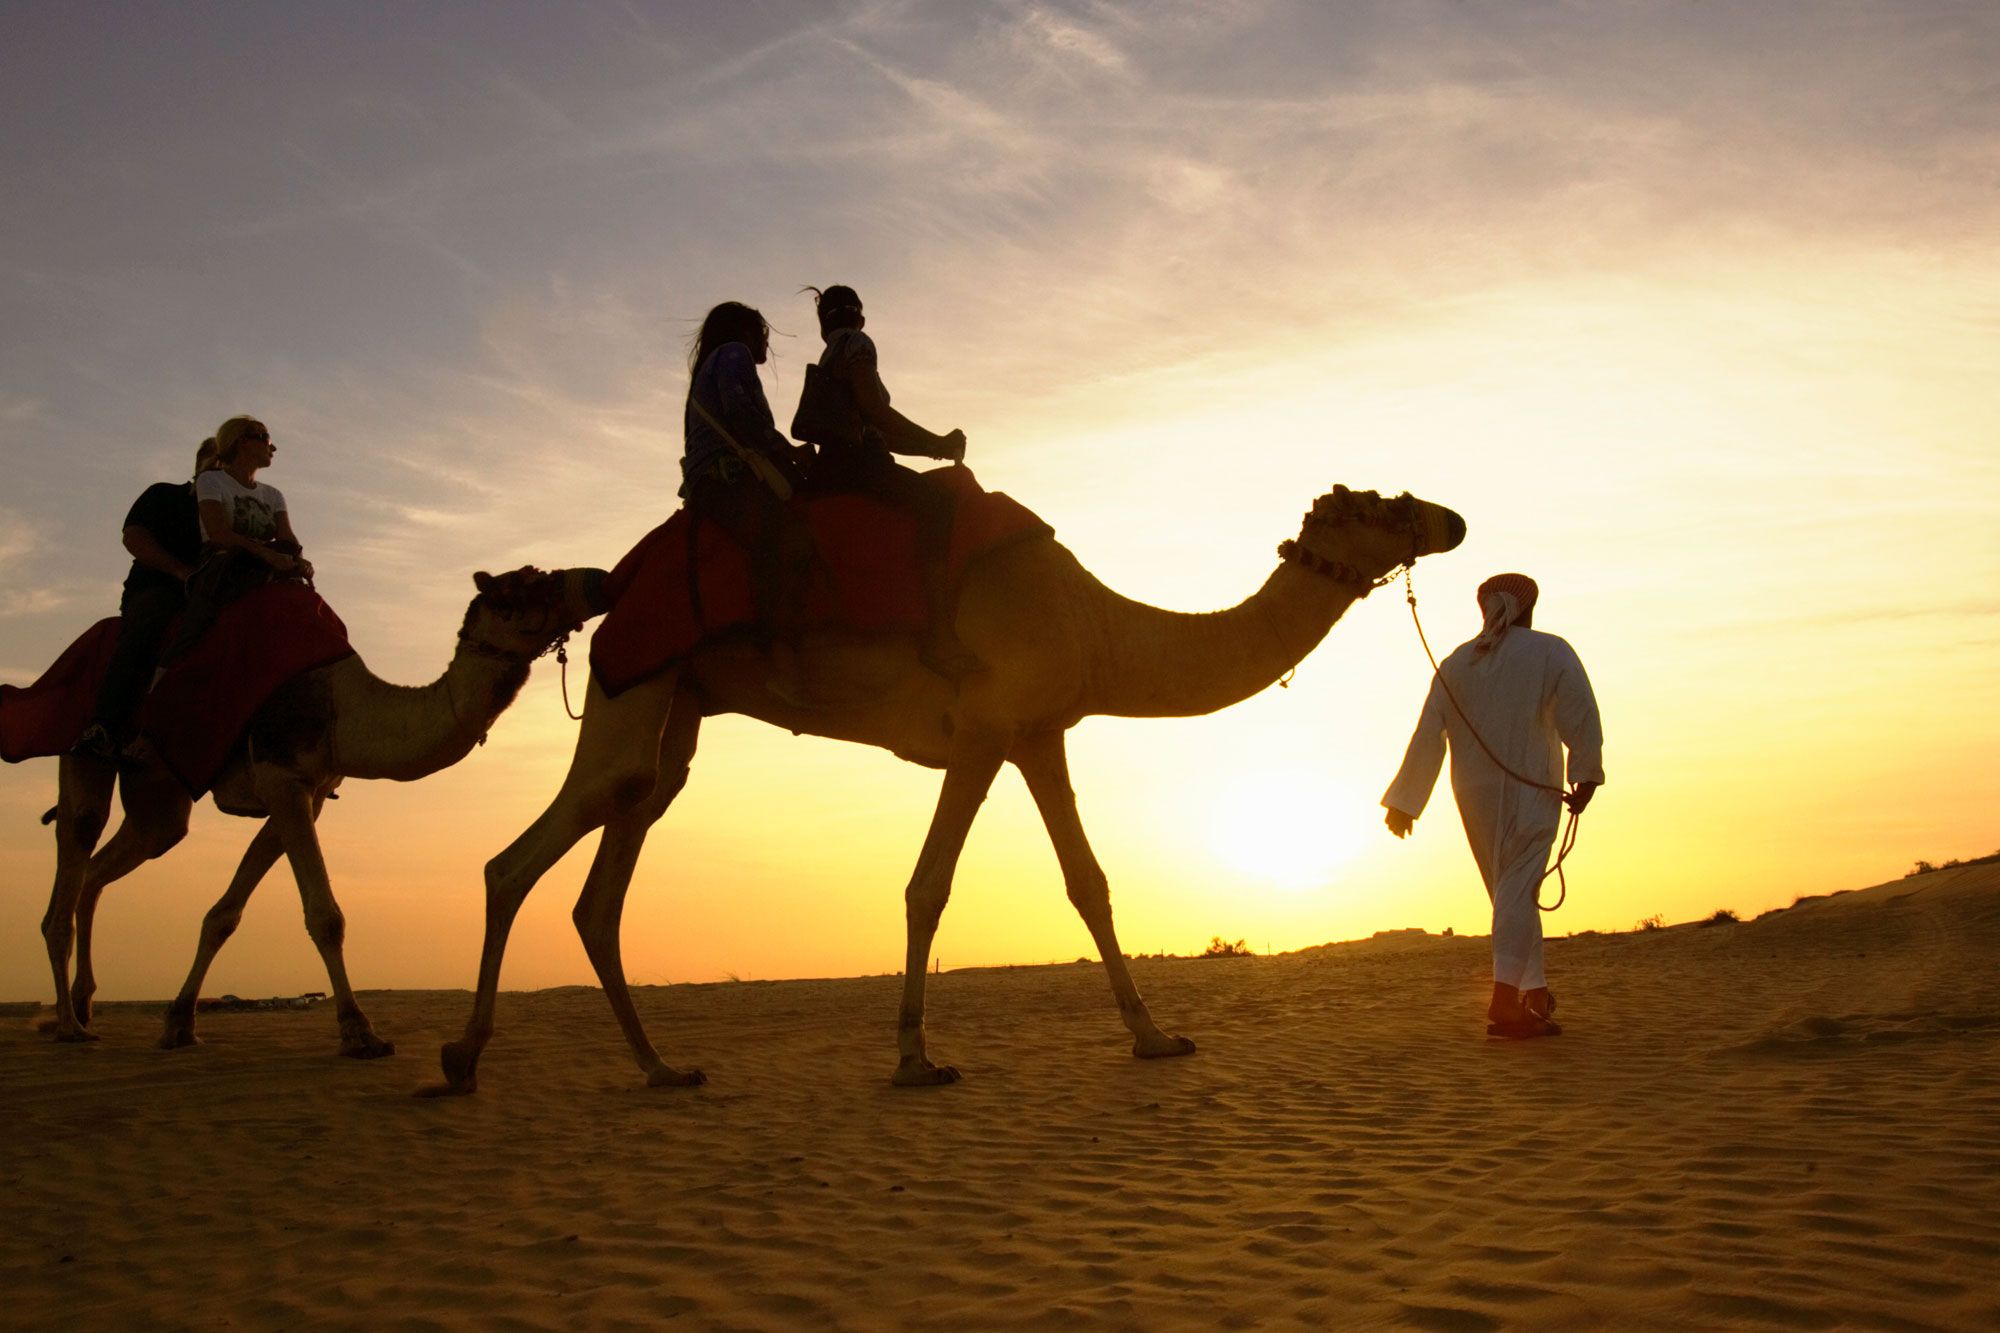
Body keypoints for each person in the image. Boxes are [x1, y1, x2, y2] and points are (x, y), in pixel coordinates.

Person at [1381, 573, 1604, 1039]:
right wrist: (1583, 772)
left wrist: (1406, 803)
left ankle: (1535, 995)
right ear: (1527, 607)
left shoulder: (1456, 663)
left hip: (1473, 794)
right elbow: (1579, 711)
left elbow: (1428, 732)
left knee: (1512, 893)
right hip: (1531, 786)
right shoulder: (1549, 650)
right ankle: (1505, 1002)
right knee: (1518, 890)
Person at [792, 285, 977, 677]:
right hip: (859, 467)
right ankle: (939, 634)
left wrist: (933, 448)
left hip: (833, 468)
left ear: (823, 325)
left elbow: (880, 429)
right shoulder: (858, 344)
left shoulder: (828, 357)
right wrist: (937, 441)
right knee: (940, 506)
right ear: (860, 317)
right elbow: (874, 412)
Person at [681, 301, 815, 705]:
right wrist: (787, 452)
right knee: (788, 544)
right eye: (763, 332)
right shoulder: (734, 354)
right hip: (729, 480)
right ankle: (781, 658)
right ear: (744, 330)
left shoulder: (708, 366)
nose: (766, 342)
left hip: (709, 480)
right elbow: (741, 411)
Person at [69, 438, 220, 761]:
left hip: (215, 596)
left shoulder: (235, 509)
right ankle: (105, 727)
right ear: (200, 464)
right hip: (159, 589)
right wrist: (180, 572)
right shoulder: (164, 495)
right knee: (147, 626)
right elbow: (134, 537)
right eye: (214, 461)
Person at [158, 416, 313, 667]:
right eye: (266, 439)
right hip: (223, 566)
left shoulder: (273, 495)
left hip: (267, 566)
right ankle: (165, 674)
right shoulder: (212, 481)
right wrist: (266, 554)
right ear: (242, 442)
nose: (272, 447)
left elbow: (287, 537)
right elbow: (218, 533)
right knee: (197, 627)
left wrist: (300, 560)